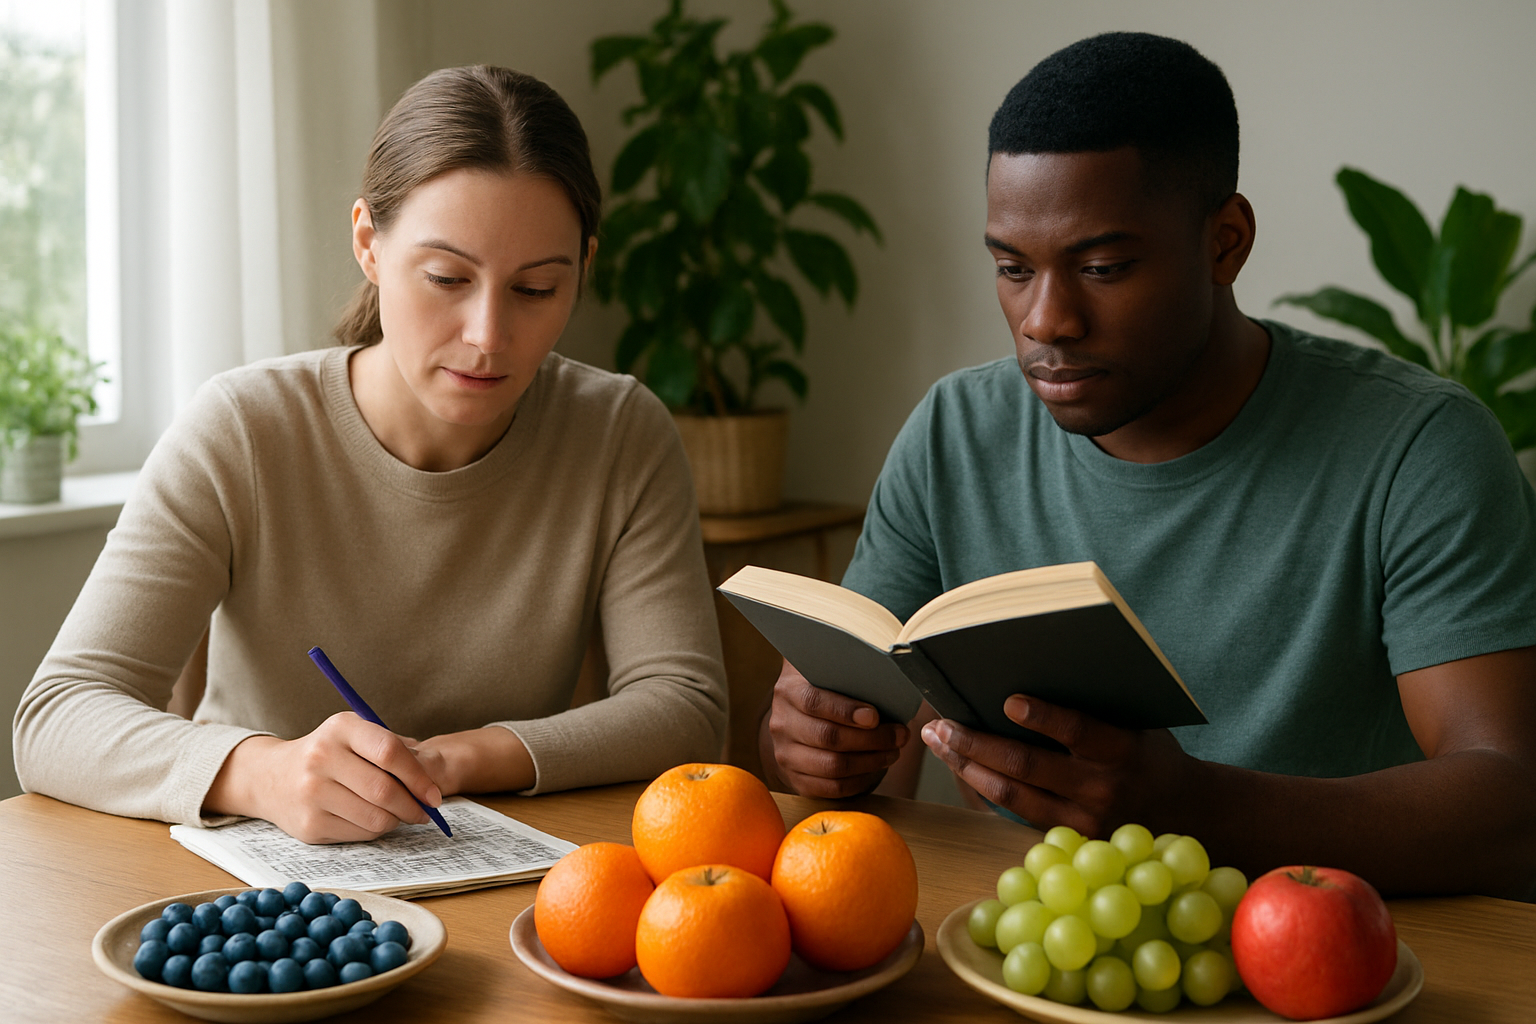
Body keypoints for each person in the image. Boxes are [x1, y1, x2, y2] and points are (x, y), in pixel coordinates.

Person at [759, 32, 1536, 898]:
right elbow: (853, 765)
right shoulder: (955, 431)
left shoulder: (1419, 447)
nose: (1045, 320)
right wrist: (817, 747)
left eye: (1102, 267)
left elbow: (1510, 801)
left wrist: (1193, 807)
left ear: (1225, 242)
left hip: (1351, 966)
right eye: (1012, 269)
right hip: (1035, 955)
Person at [14, 65, 727, 844]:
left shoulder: (620, 433)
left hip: (498, 879)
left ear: (582, 270)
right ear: (368, 244)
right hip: (250, 909)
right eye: (446, 277)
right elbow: (56, 717)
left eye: (535, 290)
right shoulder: (244, 429)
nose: (488, 335)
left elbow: (685, 706)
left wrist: (456, 761)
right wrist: (266, 772)